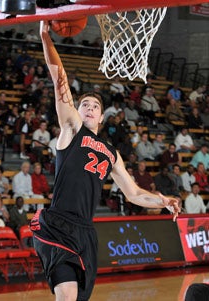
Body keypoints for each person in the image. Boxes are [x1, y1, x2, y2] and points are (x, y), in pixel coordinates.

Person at [30, 21, 179, 301]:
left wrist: (162, 200)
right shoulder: (72, 129)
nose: (88, 107)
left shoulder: (111, 152)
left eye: (94, 106)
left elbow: (133, 194)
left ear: (101, 117)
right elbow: (60, 80)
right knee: (67, 294)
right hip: (59, 224)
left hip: (85, 231)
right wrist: (45, 37)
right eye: (84, 103)